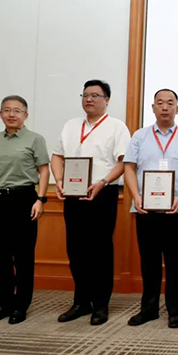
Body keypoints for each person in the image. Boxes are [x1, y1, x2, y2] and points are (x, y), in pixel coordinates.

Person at [51, 80, 131, 325]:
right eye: (85, 95)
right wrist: (59, 181)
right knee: (75, 250)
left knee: (100, 250)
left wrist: (103, 182)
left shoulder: (117, 127)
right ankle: (81, 302)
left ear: (107, 100)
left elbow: (124, 162)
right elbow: (57, 156)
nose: (89, 99)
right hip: (73, 194)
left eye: (95, 95)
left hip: (102, 193)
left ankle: (101, 304)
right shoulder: (71, 125)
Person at [123, 89, 178, 329]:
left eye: (170, 103)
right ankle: (149, 309)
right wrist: (136, 197)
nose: (165, 107)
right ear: (153, 108)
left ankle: (174, 311)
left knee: (175, 263)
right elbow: (129, 167)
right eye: (160, 103)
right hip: (146, 210)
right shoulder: (140, 136)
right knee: (149, 262)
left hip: (177, 210)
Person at [0, 95, 50, 324]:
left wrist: (40, 199)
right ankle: (4, 303)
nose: (11, 114)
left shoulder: (35, 139)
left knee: (23, 256)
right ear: (0, 114)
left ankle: (21, 305)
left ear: (25, 115)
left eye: (17, 110)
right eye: (7, 110)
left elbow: (44, 170)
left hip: (24, 199)